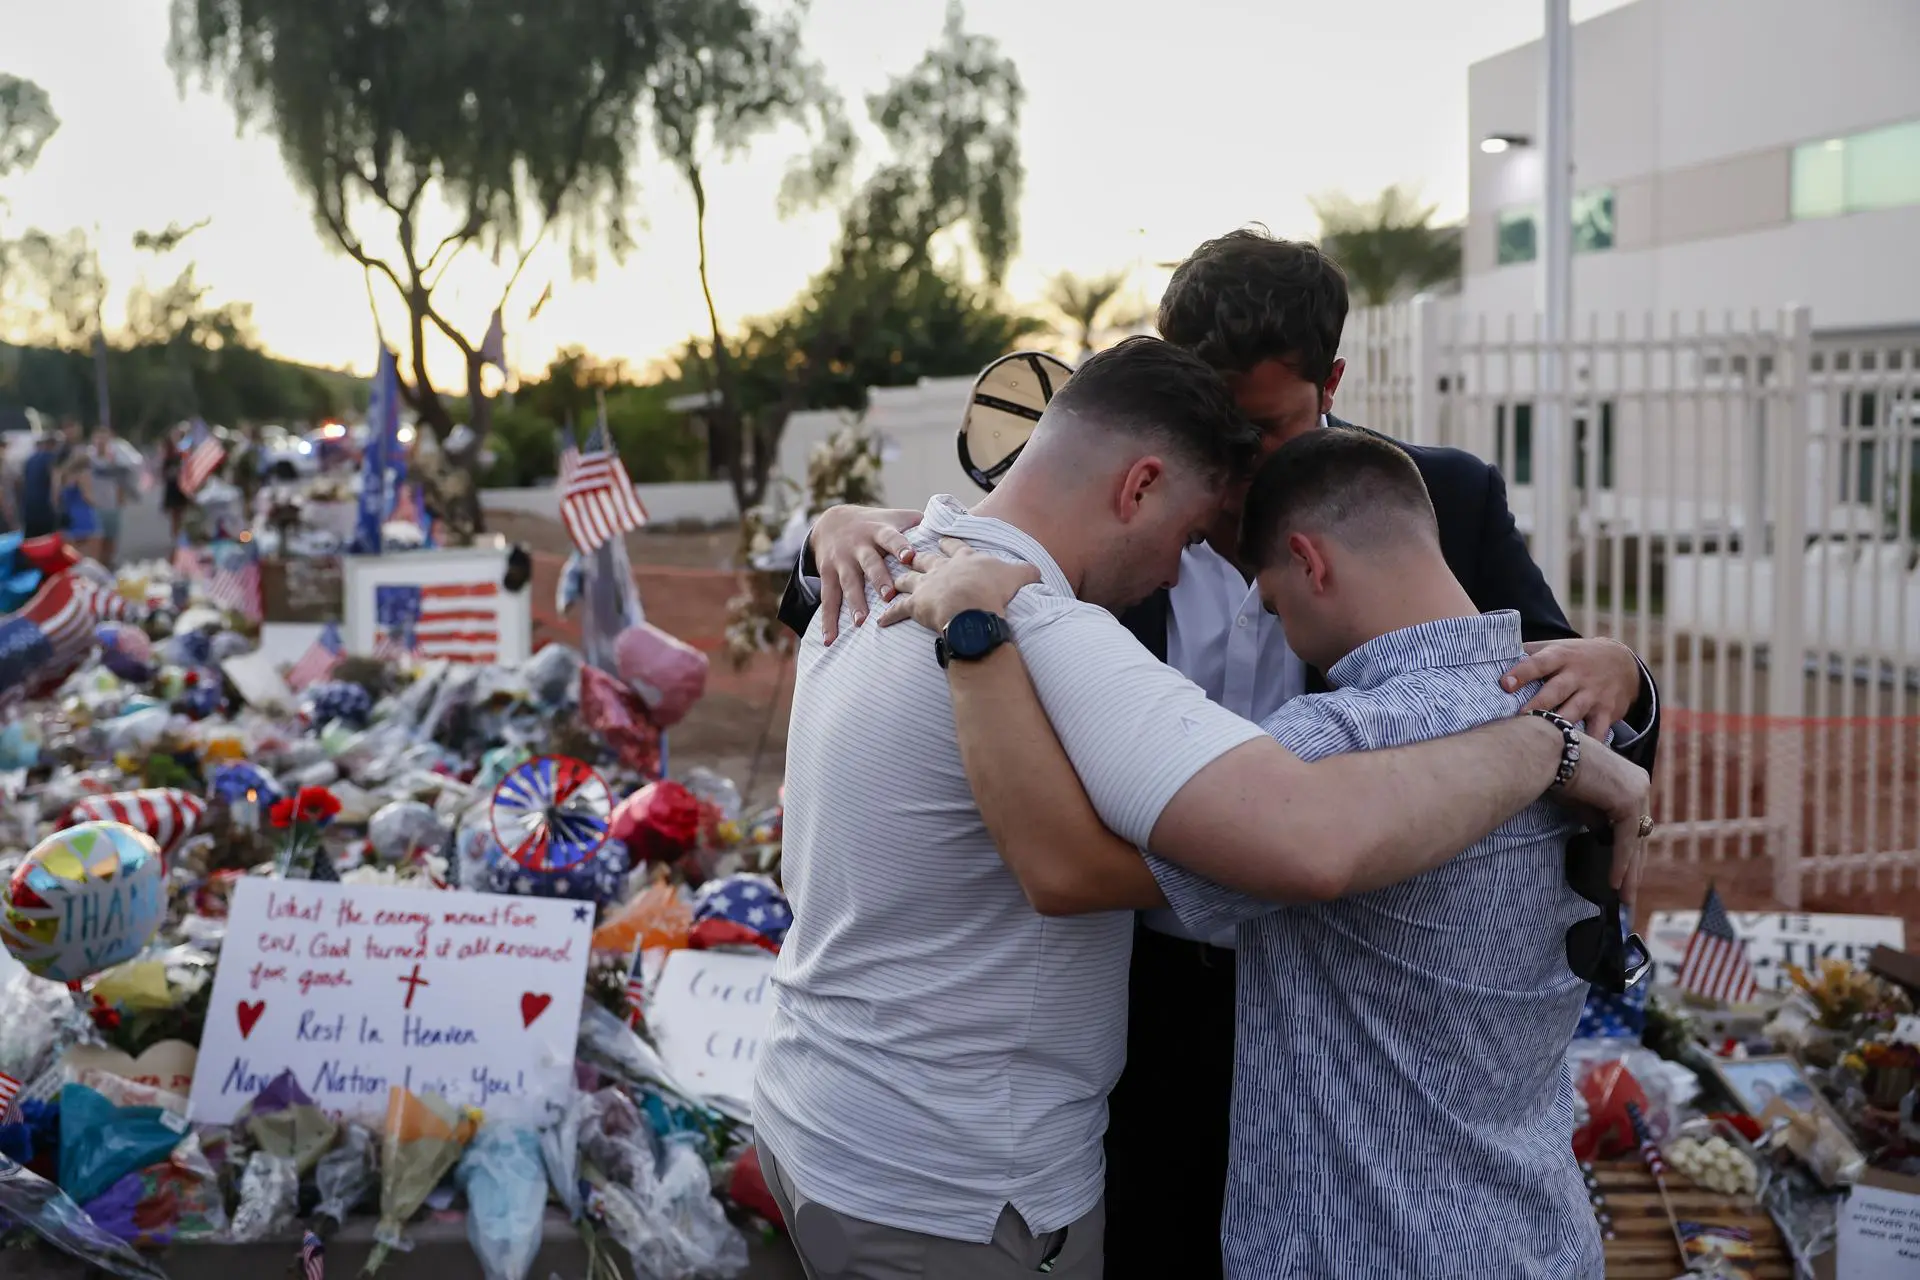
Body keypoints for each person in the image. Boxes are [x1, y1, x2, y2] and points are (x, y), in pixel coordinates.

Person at [783, 230, 1662, 1275]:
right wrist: (828, 532)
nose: (1236, 479)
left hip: (1351, 1004)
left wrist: (1619, 681)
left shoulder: (1417, 496)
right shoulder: (1078, 572)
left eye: (1265, 428)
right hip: (1145, 991)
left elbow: (1538, 678)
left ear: (1330, 384)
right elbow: (938, 563)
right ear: (1151, 466)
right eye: (1218, 436)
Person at [878, 427, 1613, 1277]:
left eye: (1267, 599)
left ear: (1310, 561)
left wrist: (978, 626)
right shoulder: (1584, 720)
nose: (1274, 628)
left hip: (1367, 1246)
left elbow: (1066, 868)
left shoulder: (1335, 746)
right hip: (1537, 1229)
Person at [82, 426, 136, 566]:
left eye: (104, 438)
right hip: (95, 506)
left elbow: (121, 480)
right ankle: (99, 565)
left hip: (112, 504)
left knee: (111, 538)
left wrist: (121, 498)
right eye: (98, 438)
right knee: (97, 540)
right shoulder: (88, 458)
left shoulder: (116, 459)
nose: (101, 441)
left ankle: (108, 564)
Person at [17, 430, 63, 540]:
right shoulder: (53, 459)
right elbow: (55, 484)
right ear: (54, 445)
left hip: (29, 508)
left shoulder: (30, 460)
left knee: (30, 542)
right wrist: (57, 506)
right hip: (45, 508)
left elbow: (21, 482)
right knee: (46, 542)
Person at [161, 423, 190, 544]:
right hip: (172, 484)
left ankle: (183, 536)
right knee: (174, 513)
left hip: (184, 484)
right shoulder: (168, 450)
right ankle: (176, 537)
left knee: (184, 512)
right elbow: (164, 467)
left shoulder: (184, 448)